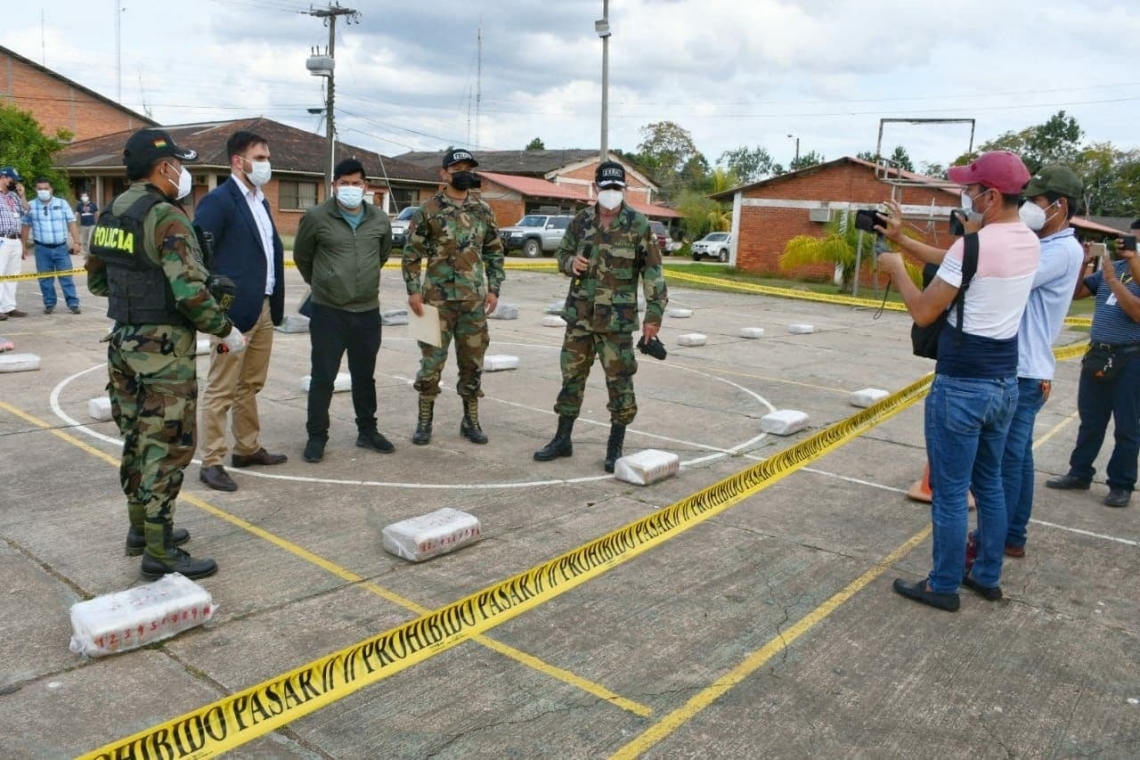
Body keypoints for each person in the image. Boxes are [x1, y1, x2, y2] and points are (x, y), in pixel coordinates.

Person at [877, 150, 1040, 611]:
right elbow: (958, 261)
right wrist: (904, 239)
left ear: (990, 196)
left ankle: (943, 584)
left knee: (949, 493)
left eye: (970, 190)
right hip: (1004, 382)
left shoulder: (976, 245)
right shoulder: (1027, 241)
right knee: (989, 484)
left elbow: (927, 308)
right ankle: (986, 575)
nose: (965, 197)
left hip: (963, 384)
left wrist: (897, 270)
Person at [86, 127, 246, 580]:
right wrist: (226, 330)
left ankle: (142, 530)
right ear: (163, 168)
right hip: (162, 351)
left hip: (124, 344)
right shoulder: (167, 217)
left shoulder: (112, 212)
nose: (182, 171)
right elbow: (189, 292)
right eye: (178, 163)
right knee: (169, 446)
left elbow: (98, 282)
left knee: (138, 439)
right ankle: (159, 552)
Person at [533, 161, 669, 472]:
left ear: (625, 190)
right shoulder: (580, 221)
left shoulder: (638, 225)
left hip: (616, 324)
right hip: (579, 318)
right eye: (605, 188)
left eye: (616, 188)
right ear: (595, 189)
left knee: (620, 384)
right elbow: (562, 255)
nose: (610, 194)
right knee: (571, 380)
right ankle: (562, 439)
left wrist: (653, 317)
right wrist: (571, 263)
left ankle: (615, 445)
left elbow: (653, 274)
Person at [986, 166, 1084, 557]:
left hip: (1025, 370)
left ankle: (1003, 538)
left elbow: (1009, 274)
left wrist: (986, 236)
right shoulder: (1046, 245)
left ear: (1059, 206)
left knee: (1007, 462)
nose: (1027, 208)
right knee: (1017, 458)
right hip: (1023, 367)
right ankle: (1012, 536)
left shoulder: (1062, 250)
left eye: (1036, 202)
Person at [195, 130, 288, 492]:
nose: (266, 163)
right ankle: (212, 460)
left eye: (266, 157)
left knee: (250, 383)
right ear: (239, 161)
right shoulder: (219, 201)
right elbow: (199, 253)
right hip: (232, 313)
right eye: (260, 157)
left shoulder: (260, 200)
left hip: (262, 307)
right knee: (221, 386)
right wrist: (216, 307)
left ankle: (247, 448)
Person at [402, 149, 505, 446]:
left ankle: (470, 420)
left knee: (472, 363)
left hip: (473, 302)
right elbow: (411, 254)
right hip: (433, 302)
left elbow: (495, 252)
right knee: (430, 364)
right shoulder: (428, 209)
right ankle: (424, 421)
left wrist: (494, 288)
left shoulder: (483, 210)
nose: (463, 171)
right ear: (444, 173)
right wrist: (412, 291)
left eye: (468, 167)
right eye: (457, 167)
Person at [294, 158, 393, 463]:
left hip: (366, 312)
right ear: (334, 185)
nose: (351, 188)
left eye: (357, 183)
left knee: (365, 376)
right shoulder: (316, 217)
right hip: (328, 312)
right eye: (344, 182)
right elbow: (302, 257)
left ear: (366, 186)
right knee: (323, 377)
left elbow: (382, 254)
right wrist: (326, 282)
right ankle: (316, 436)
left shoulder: (379, 219)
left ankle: (367, 431)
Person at [1045, 217, 1140, 509]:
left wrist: (1112, 280)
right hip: (1099, 353)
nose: (1129, 245)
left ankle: (1121, 484)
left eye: (1135, 242)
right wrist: (1084, 263)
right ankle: (1080, 472)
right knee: (1091, 421)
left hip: (1131, 357)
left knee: (1127, 426)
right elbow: (1076, 293)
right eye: (1129, 239)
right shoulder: (1115, 268)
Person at [21, 177, 82, 314]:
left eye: (46, 188)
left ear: (51, 189)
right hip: (42, 248)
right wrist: (23, 245)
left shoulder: (62, 203)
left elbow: (71, 223)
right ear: (36, 190)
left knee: (66, 277)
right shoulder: (30, 206)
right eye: (40, 189)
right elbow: (25, 226)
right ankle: (49, 304)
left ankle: (73, 303)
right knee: (45, 279)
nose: (43, 191)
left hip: (61, 248)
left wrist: (77, 242)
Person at [0, 167, 30, 320]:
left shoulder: (13, 196)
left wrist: (22, 195)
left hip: (15, 239)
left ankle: (9, 306)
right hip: (1, 238)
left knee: (12, 274)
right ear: (3, 178)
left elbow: (26, 210)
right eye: (12, 180)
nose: (14, 183)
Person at [76, 191, 98, 258]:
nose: (84, 197)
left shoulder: (93, 205)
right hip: (83, 225)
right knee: (84, 242)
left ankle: (89, 254)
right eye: (83, 196)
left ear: (88, 197)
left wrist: (99, 222)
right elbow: (77, 214)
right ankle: (86, 253)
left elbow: (97, 213)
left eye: (85, 196)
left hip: (92, 225)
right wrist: (75, 222)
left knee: (89, 240)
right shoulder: (79, 205)